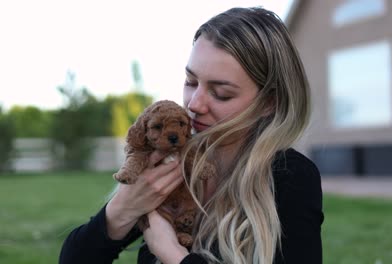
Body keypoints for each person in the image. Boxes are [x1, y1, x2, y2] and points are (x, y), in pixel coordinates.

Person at [59, 6, 324, 264]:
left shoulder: (290, 177)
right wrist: (121, 210)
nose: (194, 104)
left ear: (270, 102)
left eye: (221, 93)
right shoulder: (169, 161)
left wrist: (173, 255)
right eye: (191, 82)